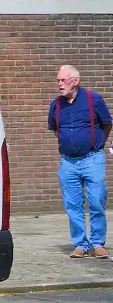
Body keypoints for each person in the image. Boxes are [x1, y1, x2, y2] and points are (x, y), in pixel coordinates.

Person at [48, 64, 113, 258]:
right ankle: (80, 244)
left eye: (63, 80)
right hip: (68, 162)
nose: (59, 84)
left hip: (92, 159)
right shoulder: (57, 104)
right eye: (58, 80)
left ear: (75, 81)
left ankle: (98, 243)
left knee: (96, 200)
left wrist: (96, 143)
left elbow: (107, 123)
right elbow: (55, 128)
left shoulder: (93, 99)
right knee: (72, 205)